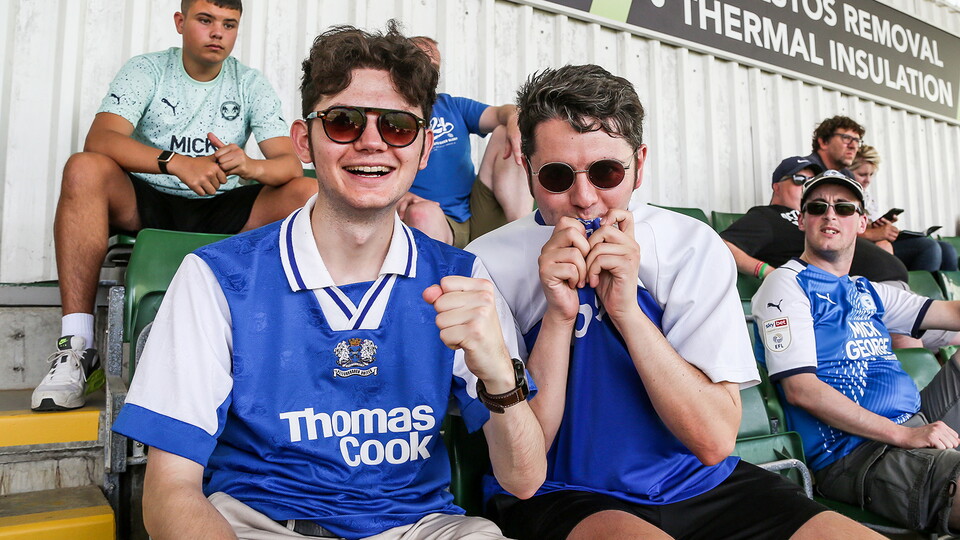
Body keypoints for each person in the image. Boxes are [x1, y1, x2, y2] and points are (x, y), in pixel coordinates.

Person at [111, 22, 545, 539]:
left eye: (398, 127)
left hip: (418, 527)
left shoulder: (463, 278)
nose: (371, 143)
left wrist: (499, 376)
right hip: (263, 525)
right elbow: (169, 493)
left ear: (425, 147)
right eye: (342, 122)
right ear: (303, 141)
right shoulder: (215, 278)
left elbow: (523, 480)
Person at [468, 64, 877, 540]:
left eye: (606, 172)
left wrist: (626, 311)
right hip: (561, 490)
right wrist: (558, 315)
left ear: (639, 164)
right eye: (557, 176)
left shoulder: (689, 244)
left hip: (700, 483)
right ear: (527, 169)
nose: (584, 199)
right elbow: (526, 466)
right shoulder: (486, 262)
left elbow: (712, 440)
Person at [34, 0, 316, 412]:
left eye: (229, 24)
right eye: (205, 20)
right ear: (181, 23)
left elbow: (291, 164)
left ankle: (299, 345)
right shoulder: (147, 69)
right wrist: (174, 163)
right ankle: (77, 348)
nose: (218, 32)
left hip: (225, 205)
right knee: (84, 168)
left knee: (307, 194)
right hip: (150, 199)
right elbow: (101, 138)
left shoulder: (250, 83)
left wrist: (251, 165)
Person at [753, 170, 960, 534]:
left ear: (862, 222)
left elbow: (952, 313)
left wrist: (914, 432)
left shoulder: (868, 290)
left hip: (915, 421)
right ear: (802, 220)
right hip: (857, 453)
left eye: (844, 207)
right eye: (818, 207)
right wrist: (906, 436)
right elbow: (802, 390)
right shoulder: (786, 284)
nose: (830, 214)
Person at [396, 36, 531, 248]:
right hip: (434, 220)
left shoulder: (452, 105)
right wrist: (396, 196)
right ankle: (439, 275)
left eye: (434, 67)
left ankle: (525, 233)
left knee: (507, 130)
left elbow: (502, 113)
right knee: (421, 213)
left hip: (478, 211)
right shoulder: (390, 117)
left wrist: (515, 117)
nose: (428, 73)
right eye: (420, 64)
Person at [721, 156, 909, 284]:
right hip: (857, 294)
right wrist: (766, 271)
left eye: (811, 181)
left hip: (880, 286)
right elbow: (723, 245)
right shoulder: (767, 216)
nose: (805, 186)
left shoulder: (823, 214)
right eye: (798, 179)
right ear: (776, 186)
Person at [851, 145, 958, 271]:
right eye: (862, 174)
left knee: (947, 249)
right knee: (929, 247)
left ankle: (950, 290)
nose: (868, 180)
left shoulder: (867, 197)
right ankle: (920, 290)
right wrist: (875, 233)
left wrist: (879, 226)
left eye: (871, 174)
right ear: (848, 171)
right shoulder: (846, 196)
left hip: (880, 243)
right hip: (867, 248)